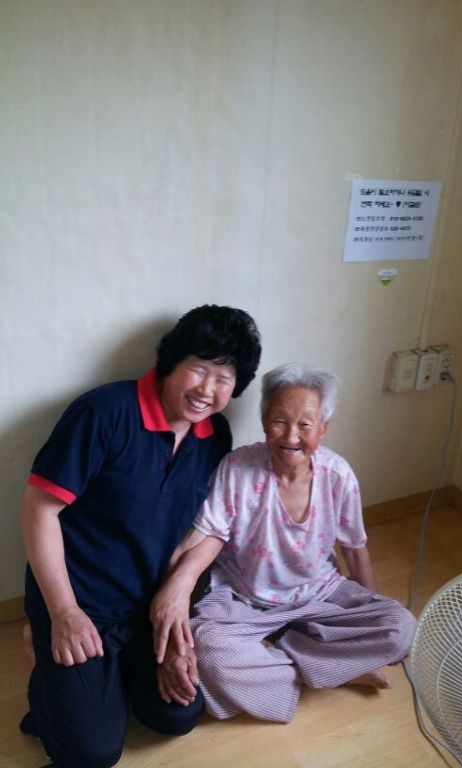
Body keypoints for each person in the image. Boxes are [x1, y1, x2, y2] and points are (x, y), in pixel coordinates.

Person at [19, 304, 262, 768]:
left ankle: (105, 675)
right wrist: (64, 613)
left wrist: (178, 591)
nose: (207, 390)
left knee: (178, 714)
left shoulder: (216, 435)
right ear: (170, 362)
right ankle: (47, 652)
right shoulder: (103, 412)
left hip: (147, 605)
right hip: (81, 600)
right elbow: (38, 510)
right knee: (92, 754)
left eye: (224, 379)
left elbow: (215, 525)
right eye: (199, 370)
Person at [151, 362, 416, 724]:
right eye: (279, 421)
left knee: (400, 628)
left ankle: (286, 662)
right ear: (264, 422)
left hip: (318, 592)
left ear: (323, 428)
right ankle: (328, 671)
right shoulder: (237, 468)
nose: (291, 436)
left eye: (305, 425)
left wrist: (367, 615)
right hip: (242, 596)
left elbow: (355, 550)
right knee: (210, 654)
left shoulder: (337, 475)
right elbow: (207, 535)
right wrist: (177, 587)